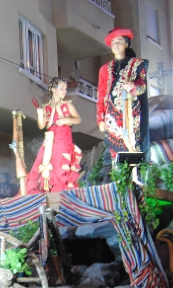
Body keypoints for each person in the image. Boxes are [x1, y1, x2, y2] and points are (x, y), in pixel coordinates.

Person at [96, 28, 149, 163]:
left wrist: (133, 86)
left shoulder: (137, 64)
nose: (116, 44)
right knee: (115, 153)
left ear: (126, 44)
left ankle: (136, 173)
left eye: (119, 41)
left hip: (132, 114)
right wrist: (100, 118)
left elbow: (142, 86)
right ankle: (119, 173)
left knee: (133, 146)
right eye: (113, 42)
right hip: (111, 117)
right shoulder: (104, 69)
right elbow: (101, 95)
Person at [26, 77, 83, 193]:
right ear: (53, 89)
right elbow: (41, 125)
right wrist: (40, 114)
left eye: (65, 89)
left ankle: (61, 192)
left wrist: (67, 119)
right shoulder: (46, 107)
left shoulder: (67, 105)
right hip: (50, 141)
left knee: (61, 166)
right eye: (62, 88)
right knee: (47, 166)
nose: (64, 91)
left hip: (63, 140)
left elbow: (78, 119)